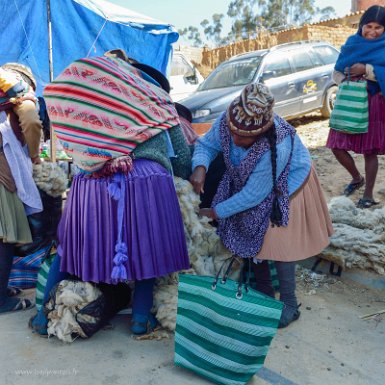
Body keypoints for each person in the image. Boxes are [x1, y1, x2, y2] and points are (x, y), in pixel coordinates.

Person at [30, 52, 190, 335]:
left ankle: (44, 317)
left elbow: (77, 152)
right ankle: (140, 317)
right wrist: (182, 176)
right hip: (146, 179)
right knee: (146, 247)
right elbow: (181, 156)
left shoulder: (89, 104)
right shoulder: (154, 101)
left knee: (69, 250)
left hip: (91, 183)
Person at [190, 83, 333, 328]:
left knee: (277, 241)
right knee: (249, 231)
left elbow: (253, 196)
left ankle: (289, 303)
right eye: (233, 133)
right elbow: (207, 145)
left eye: (244, 138)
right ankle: (264, 293)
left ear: (261, 132)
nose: (235, 140)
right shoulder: (230, 119)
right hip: (251, 182)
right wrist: (200, 167)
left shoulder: (277, 144)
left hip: (288, 183)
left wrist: (215, 211)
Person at [326, 5, 385, 208]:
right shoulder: (351, 44)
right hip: (349, 101)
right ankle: (356, 177)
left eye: (379, 27)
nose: (372, 31)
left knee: (370, 151)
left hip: (373, 102)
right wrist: (350, 80)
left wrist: (367, 70)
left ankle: (367, 195)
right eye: (368, 26)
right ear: (361, 26)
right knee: (336, 146)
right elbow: (337, 72)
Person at [0, 64, 43, 313]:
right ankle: (1, 301)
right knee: (4, 235)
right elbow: (30, 119)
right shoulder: (19, 89)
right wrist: (35, 154)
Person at [0, 63, 42, 165]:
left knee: (31, 120)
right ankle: (34, 156)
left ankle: (34, 155)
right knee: (31, 120)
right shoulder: (6, 75)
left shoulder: (7, 75)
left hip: (18, 94)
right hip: (17, 96)